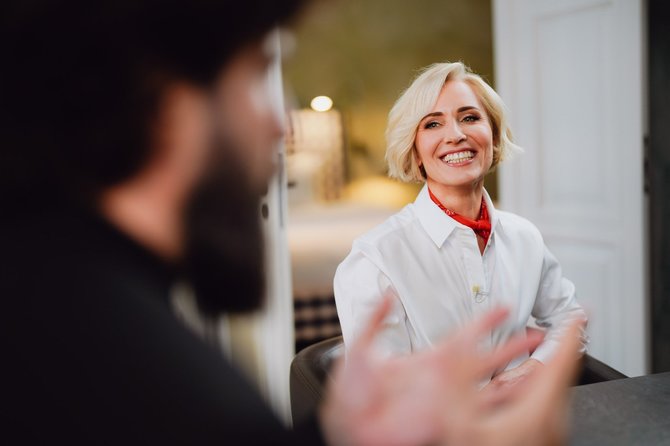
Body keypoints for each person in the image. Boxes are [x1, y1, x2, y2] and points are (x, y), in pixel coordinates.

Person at [1, 2, 584, 445]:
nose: (280, 125)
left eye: (468, 118)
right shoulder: (157, 382)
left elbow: (565, 316)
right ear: (161, 100)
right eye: (255, 77)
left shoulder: (68, 310)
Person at [334, 61, 588, 395]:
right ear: (415, 151)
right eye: (432, 124)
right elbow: (385, 391)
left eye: (469, 117)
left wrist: (532, 370)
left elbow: (569, 320)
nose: (455, 135)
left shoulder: (524, 236)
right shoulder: (375, 260)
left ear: (493, 137)